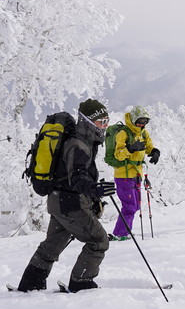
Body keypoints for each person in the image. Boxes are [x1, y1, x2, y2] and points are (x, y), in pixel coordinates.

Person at [16, 99, 117, 292]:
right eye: (100, 122)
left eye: (106, 121)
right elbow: (77, 177)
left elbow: (74, 175)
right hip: (71, 204)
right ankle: (82, 283)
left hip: (59, 201)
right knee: (98, 241)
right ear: (87, 121)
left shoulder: (82, 141)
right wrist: (94, 189)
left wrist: (94, 192)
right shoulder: (77, 144)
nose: (104, 126)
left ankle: (31, 284)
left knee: (53, 245)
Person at [105, 106, 159, 240]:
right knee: (130, 206)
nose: (142, 125)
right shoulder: (123, 133)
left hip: (136, 175)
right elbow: (118, 155)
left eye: (144, 122)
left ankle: (124, 232)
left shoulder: (143, 133)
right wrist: (131, 148)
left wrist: (154, 152)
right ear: (133, 120)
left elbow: (148, 146)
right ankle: (120, 234)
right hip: (124, 175)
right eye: (140, 122)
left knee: (135, 206)